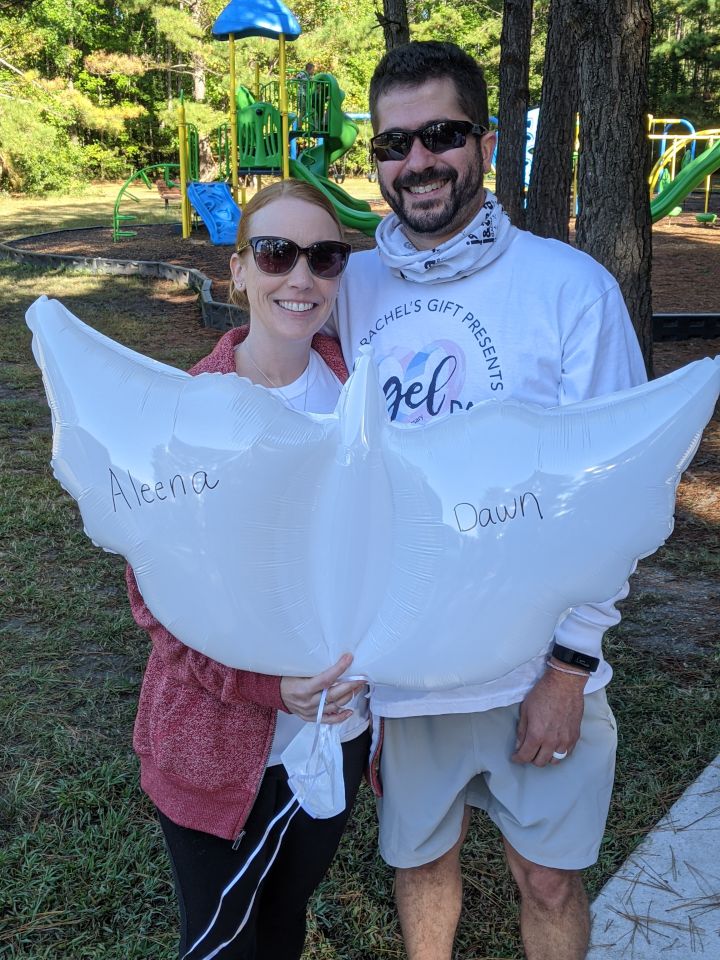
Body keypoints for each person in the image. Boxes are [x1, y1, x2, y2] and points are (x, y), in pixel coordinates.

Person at [326, 41, 648, 960]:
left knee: (546, 878)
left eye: (442, 134)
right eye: (394, 144)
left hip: (532, 666)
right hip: (406, 671)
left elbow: (619, 491)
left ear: (488, 143)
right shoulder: (351, 286)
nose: (418, 161)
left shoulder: (570, 289)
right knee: (422, 862)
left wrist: (568, 669)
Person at [126, 179, 369, 960]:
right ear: (236, 269)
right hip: (217, 742)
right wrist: (268, 688)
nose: (301, 277)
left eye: (324, 257)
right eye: (275, 253)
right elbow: (157, 606)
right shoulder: (189, 414)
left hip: (336, 735)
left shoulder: (363, 396)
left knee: (284, 921)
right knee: (223, 943)